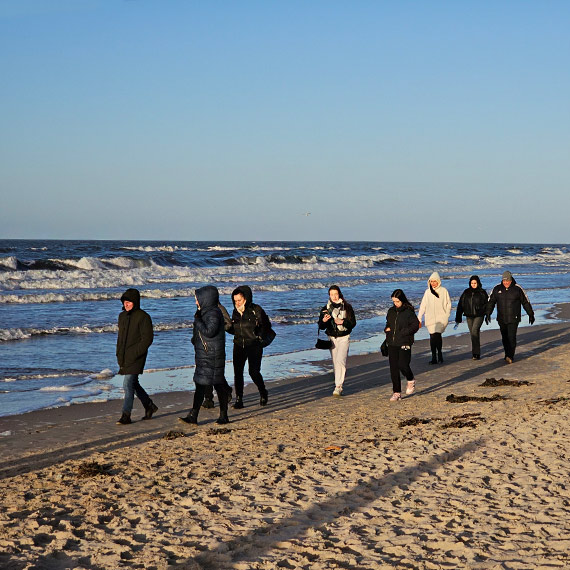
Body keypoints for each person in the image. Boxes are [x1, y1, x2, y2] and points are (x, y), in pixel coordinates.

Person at [179, 285, 230, 425]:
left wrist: (197, 320)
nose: (196, 302)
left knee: (218, 385)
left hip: (212, 355)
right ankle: (193, 415)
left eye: (197, 299)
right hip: (205, 354)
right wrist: (194, 340)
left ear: (206, 299)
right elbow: (201, 334)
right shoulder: (204, 312)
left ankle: (224, 415)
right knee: (200, 385)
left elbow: (209, 331)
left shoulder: (214, 313)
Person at [115, 288, 157, 425]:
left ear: (136, 302)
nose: (126, 304)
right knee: (133, 383)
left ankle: (126, 415)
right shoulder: (121, 317)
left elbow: (147, 339)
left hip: (137, 356)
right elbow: (120, 338)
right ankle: (149, 405)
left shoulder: (143, 317)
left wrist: (135, 353)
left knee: (127, 384)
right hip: (124, 357)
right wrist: (119, 355)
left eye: (129, 302)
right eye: (125, 302)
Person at [227, 285, 272, 409]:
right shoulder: (235, 312)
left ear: (246, 298)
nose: (237, 303)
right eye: (235, 300)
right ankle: (239, 400)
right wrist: (228, 328)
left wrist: (259, 336)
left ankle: (263, 392)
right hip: (238, 345)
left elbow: (266, 325)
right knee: (238, 373)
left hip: (254, 345)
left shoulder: (256, 309)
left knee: (253, 372)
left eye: (239, 300)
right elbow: (235, 330)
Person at [485, 270, 535, 364]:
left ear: (511, 280)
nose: (506, 282)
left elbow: (525, 302)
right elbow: (491, 302)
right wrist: (488, 313)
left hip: (514, 318)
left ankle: (510, 356)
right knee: (505, 338)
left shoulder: (517, 289)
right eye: (504, 281)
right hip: (501, 318)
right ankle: (507, 354)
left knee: (511, 337)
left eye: (507, 280)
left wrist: (531, 314)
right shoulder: (497, 289)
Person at [318, 285, 357, 397]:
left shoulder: (347, 307)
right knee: (335, 362)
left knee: (340, 361)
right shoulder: (325, 309)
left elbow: (353, 323)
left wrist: (343, 322)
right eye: (332, 294)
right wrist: (324, 321)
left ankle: (338, 386)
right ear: (329, 296)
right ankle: (338, 384)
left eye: (336, 294)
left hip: (344, 337)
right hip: (332, 338)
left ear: (339, 294)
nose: (334, 296)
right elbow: (321, 326)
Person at [384, 289, 419, 401]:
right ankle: (397, 393)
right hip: (392, 342)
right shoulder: (391, 311)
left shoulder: (408, 312)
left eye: (397, 301)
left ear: (402, 300)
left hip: (405, 341)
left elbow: (415, 326)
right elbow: (388, 324)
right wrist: (387, 329)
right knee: (393, 368)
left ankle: (410, 379)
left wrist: (404, 332)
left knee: (403, 365)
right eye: (394, 301)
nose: (395, 303)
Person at [201, 302, 233, 409]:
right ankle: (208, 398)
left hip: (216, 345)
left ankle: (223, 391)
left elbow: (228, 324)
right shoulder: (201, 308)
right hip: (203, 346)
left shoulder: (219, 308)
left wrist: (216, 329)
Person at [418, 272, 452, 364]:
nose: (433, 283)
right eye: (431, 281)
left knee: (437, 336)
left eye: (435, 281)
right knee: (432, 337)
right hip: (430, 318)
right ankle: (434, 356)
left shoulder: (444, 291)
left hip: (441, 318)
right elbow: (423, 306)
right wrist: (419, 318)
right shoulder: (427, 292)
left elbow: (448, 304)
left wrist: (447, 315)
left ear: (438, 281)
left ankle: (439, 354)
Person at [455, 275, 489, 360]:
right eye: (472, 283)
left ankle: (476, 353)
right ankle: (475, 352)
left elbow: (487, 304)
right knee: (473, 334)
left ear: (478, 283)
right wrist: (458, 317)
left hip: (479, 315)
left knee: (474, 331)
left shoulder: (482, 292)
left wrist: (486, 314)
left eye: (475, 283)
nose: (473, 284)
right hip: (469, 316)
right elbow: (461, 304)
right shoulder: (466, 292)